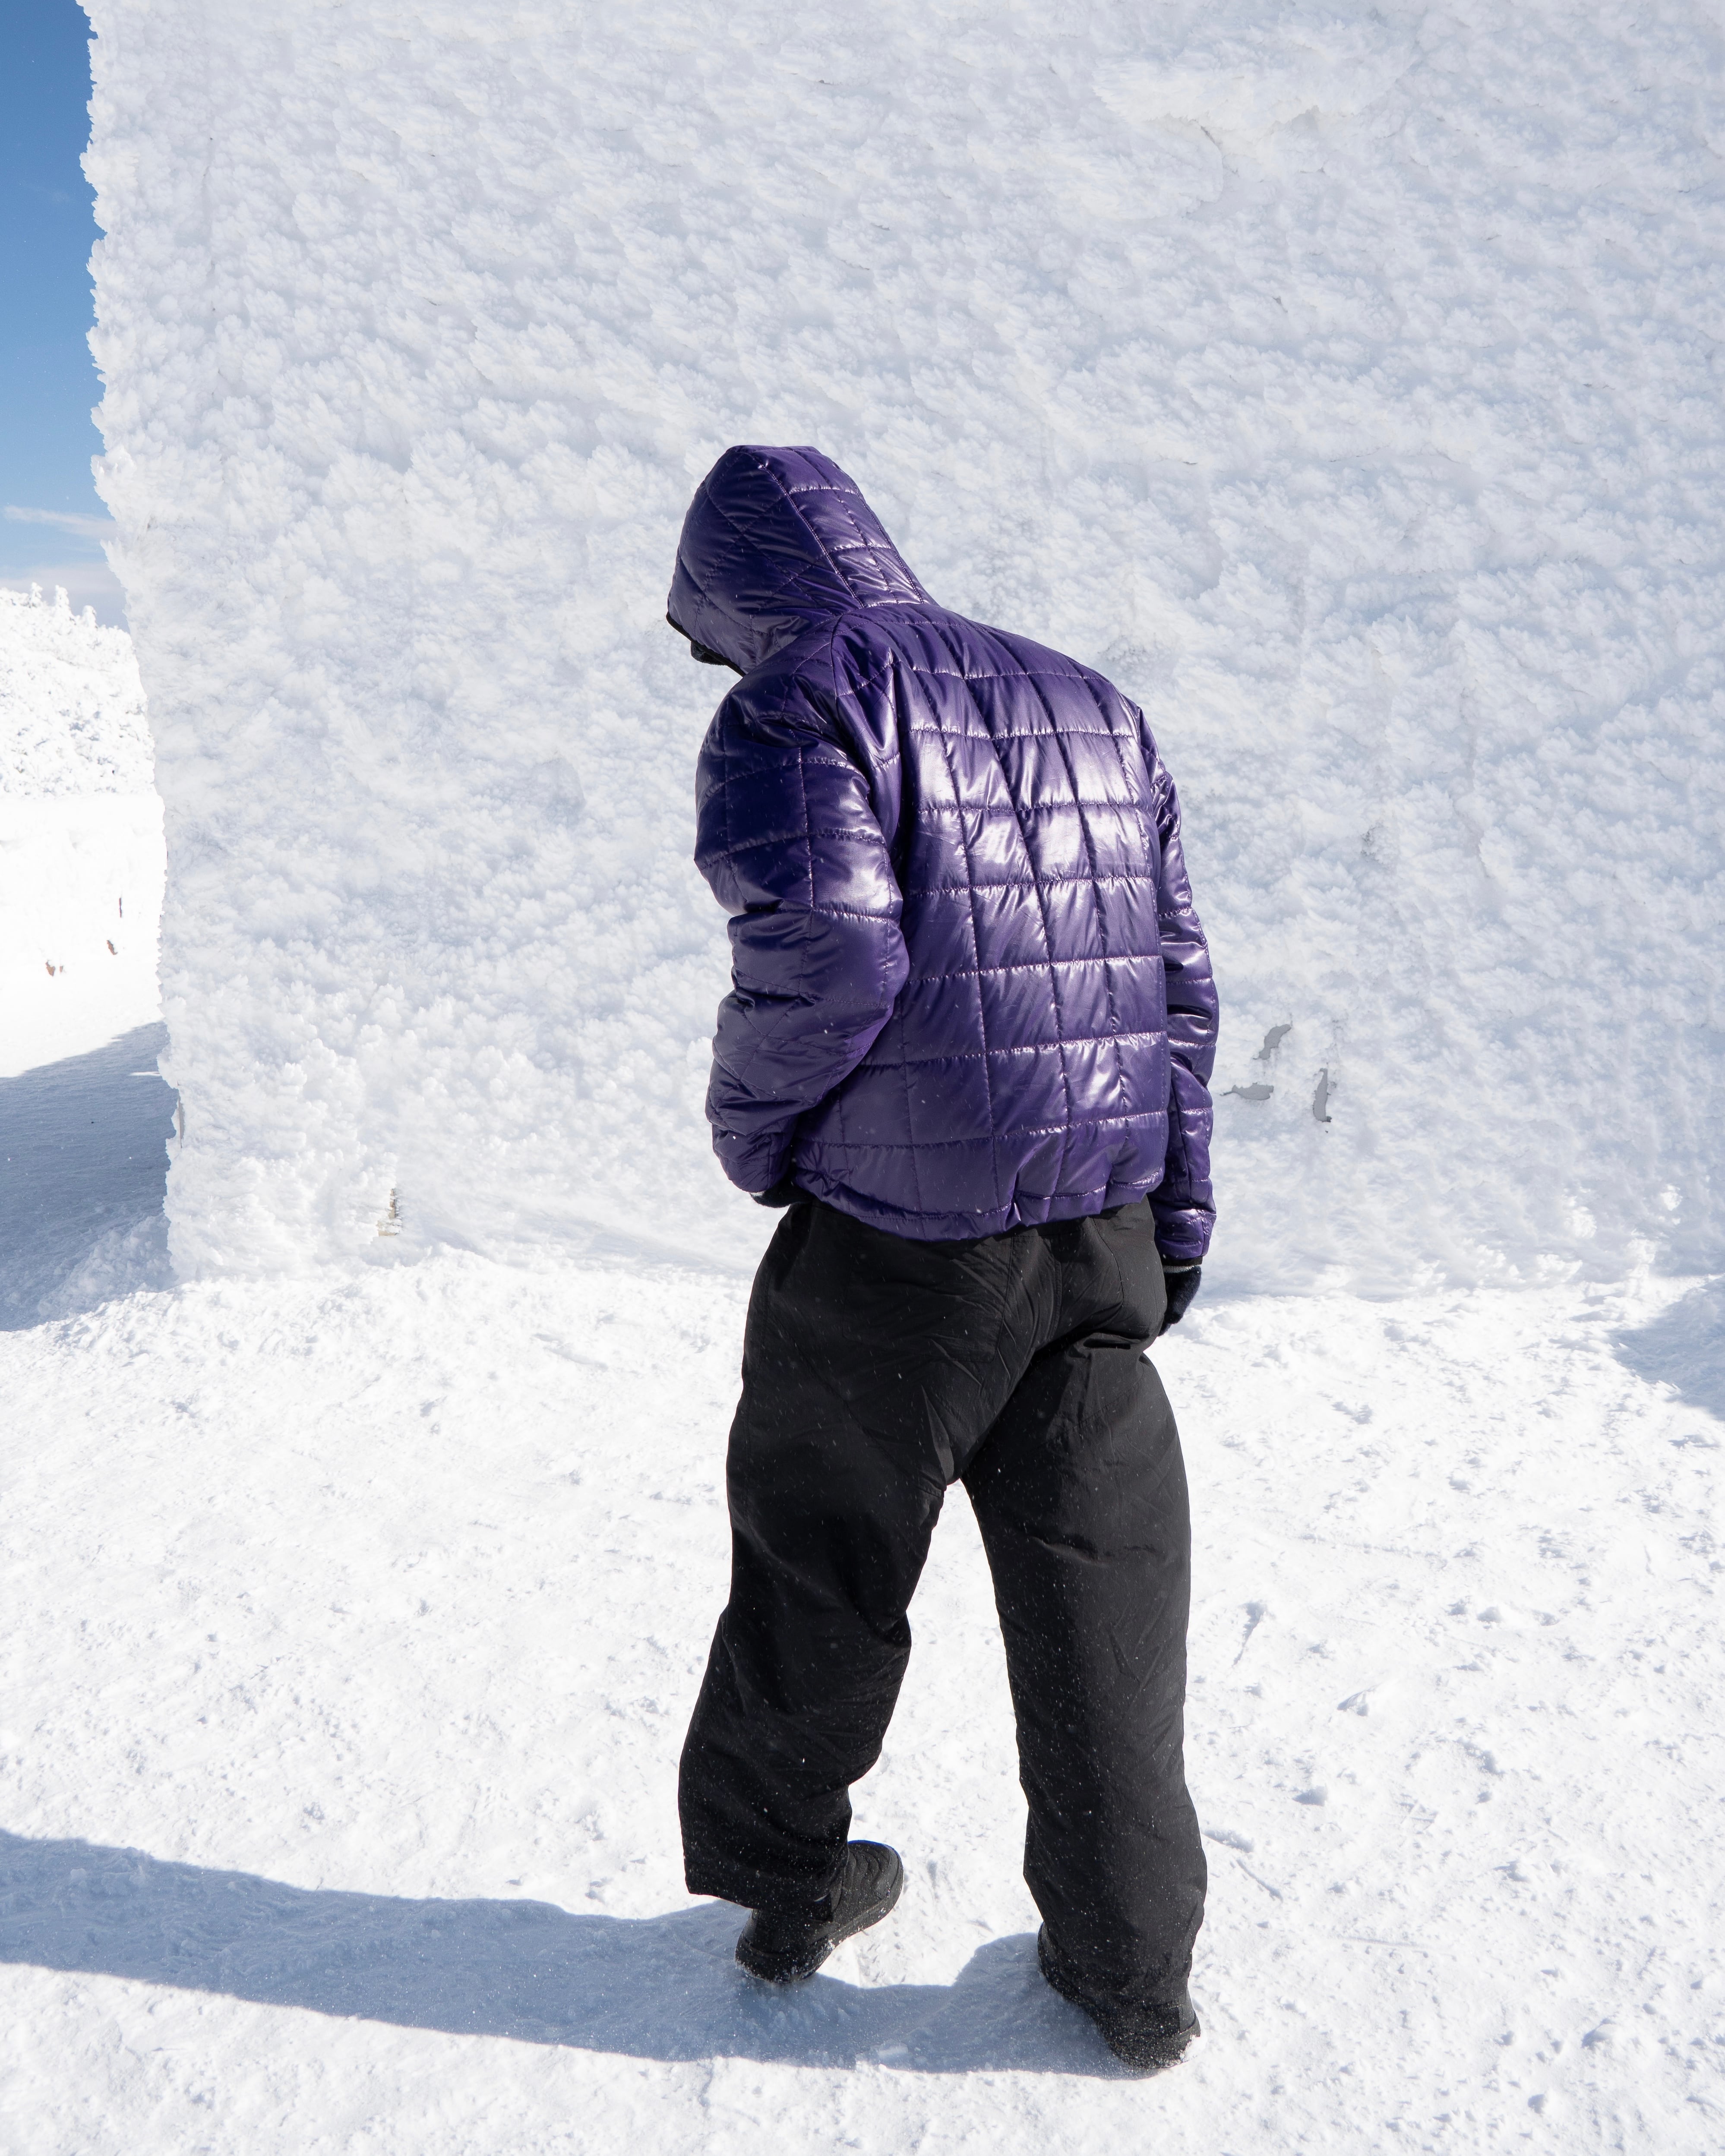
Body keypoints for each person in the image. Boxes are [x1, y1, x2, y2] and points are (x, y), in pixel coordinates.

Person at [667, 445, 1217, 2074]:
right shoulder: (1090, 700)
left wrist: (754, 1135)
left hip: (894, 1255)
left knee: (819, 1565)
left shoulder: (795, 705)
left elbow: (829, 957)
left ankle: (787, 1884)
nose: (710, 662)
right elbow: (1178, 985)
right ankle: (1129, 1969)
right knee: (1104, 1593)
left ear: (732, 594)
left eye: (703, 634)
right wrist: (1168, 1222)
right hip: (1092, 1237)